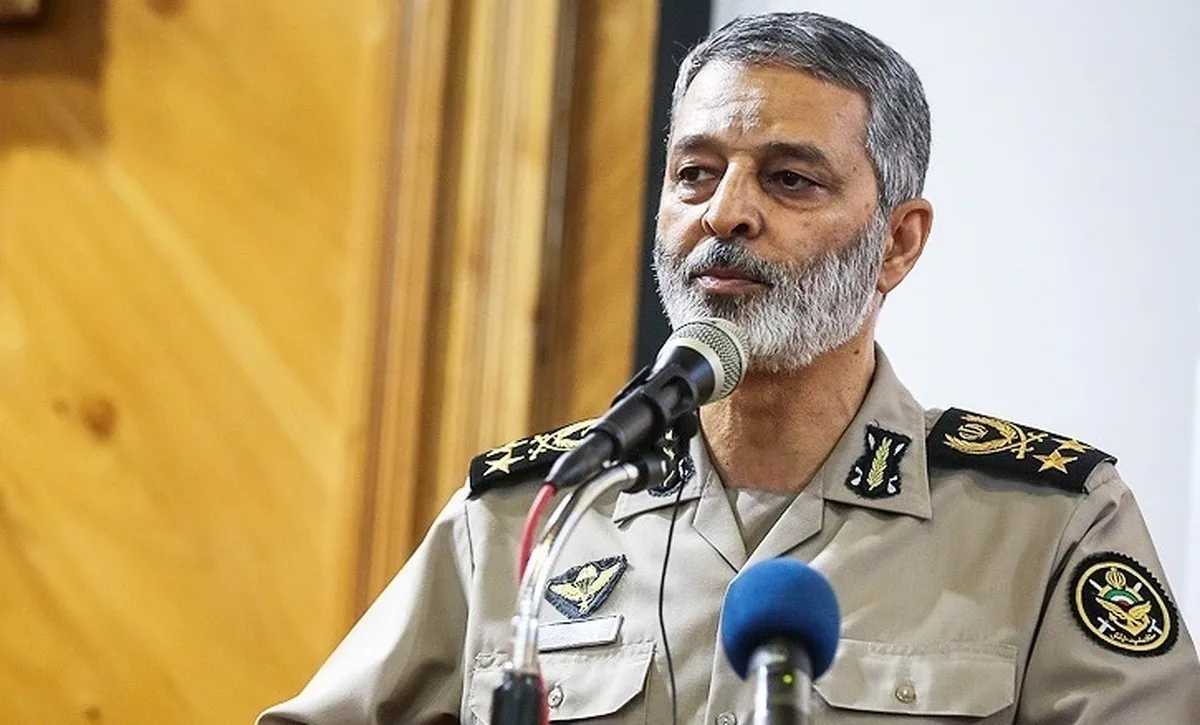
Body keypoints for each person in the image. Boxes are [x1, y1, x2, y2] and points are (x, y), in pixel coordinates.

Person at [258, 12, 1200, 724]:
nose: (725, 214)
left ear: (898, 242)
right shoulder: (534, 515)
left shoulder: (1042, 525)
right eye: (695, 174)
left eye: (790, 179)